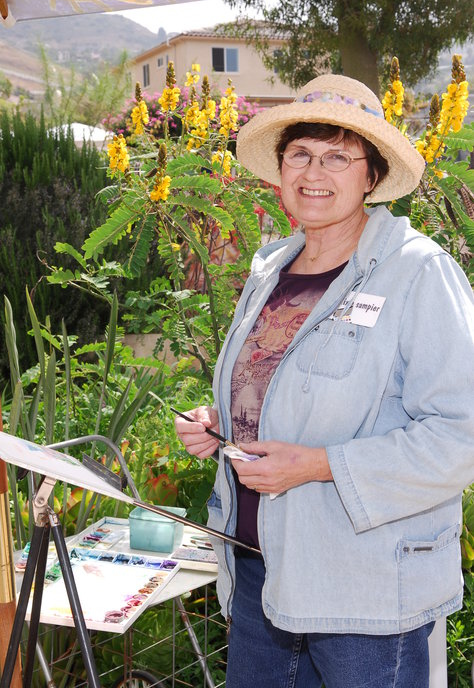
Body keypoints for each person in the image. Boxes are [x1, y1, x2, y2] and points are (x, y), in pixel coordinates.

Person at [174, 74, 474, 688]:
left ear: (372, 177)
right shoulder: (270, 271)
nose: (317, 171)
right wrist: (221, 423)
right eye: (302, 154)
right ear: (280, 170)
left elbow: (461, 435)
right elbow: (283, 391)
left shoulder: (417, 274)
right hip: (261, 571)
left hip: (363, 593)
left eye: (339, 156)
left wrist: (316, 465)